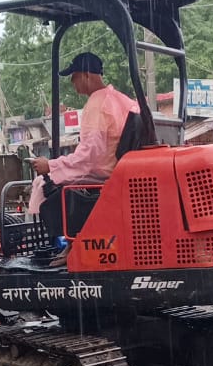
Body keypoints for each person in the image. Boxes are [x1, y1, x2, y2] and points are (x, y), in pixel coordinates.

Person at [30, 52, 139, 265]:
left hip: (102, 174)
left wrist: (50, 166)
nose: (73, 83)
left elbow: (88, 156)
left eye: (74, 77)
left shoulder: (96, 105)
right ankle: (73, 243)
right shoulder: (124, 100)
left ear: (87, 75)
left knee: (43, 185)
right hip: (118, 170)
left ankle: (72, 244)